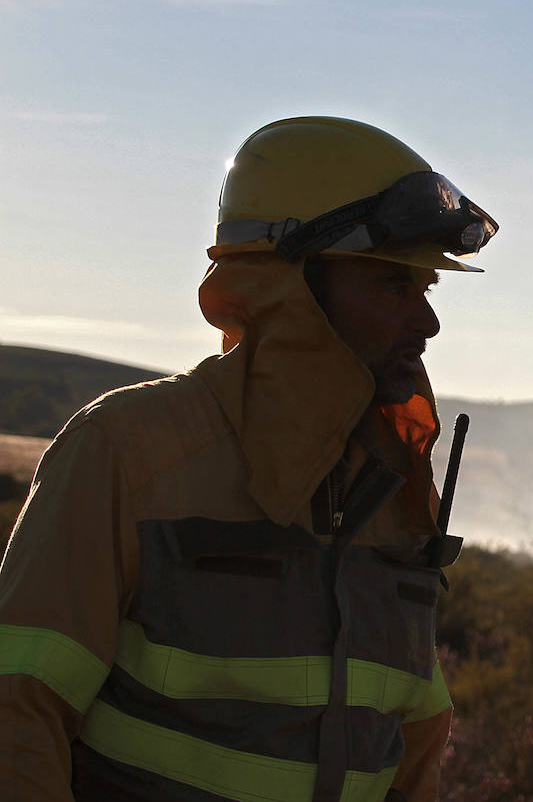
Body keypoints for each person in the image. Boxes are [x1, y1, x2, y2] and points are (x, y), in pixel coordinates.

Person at [0, 115, 499, 800]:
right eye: (391, 285)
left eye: (427, 289)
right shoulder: (127, 452)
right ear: (289, 289)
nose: (427, 321)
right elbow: (17, 718)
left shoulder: (395, 490)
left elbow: (414, 744)